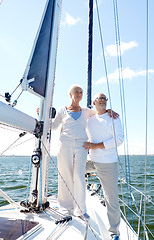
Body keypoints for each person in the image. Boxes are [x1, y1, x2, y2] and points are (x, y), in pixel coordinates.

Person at [52, 85, 117, 219]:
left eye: (81, 92)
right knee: (65, 175)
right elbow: (53, 127)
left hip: (82, 146)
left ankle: (80, 210)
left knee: (79, 176)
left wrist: (109, 110)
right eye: (76, 92)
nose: (79, 94)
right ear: (70, 94)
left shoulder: (87, 111)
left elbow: (100, 112)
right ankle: (65, 207)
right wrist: (42, 115)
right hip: (65, 145)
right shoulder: (62, 110)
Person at [83, 93, 123, 240]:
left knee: (111, 198)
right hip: (91, 160)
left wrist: (95, 145)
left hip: (108, 163)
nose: (101, 100)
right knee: (71, 170)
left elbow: (119, 139)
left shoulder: (114, 117)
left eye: (104, 98)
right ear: (94, 102)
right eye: (99, 98)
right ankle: (75, 208)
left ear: (106, 102)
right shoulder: (89, 118)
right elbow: (71, 113)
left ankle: (114, 232)